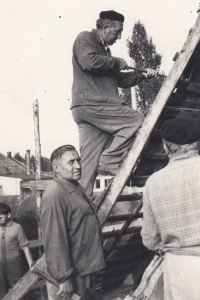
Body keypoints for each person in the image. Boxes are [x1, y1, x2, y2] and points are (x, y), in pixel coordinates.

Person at [71, 10, 157, 200]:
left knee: (88, 164)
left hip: (88, 110)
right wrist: (116, 61)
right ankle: (110, 159)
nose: (119, 36)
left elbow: (120, 80)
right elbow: (88, 61)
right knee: (135, 119)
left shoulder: (105, 52)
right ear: (105, 27)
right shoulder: (85, 38)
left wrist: (142, 75)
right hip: (92, 103)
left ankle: (81, 207)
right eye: (117, 32)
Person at [141, 117, 200, 300]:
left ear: (166, 147)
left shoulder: (153, 183)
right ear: (197, 144)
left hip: (179, 267)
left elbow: (150, 239)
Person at [40, 145, 105, 300]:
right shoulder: (55, 195)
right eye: (71, 162)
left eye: (78, 160)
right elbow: (54, 240)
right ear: (56, 167)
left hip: (84, 266)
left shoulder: (73, 186)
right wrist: (63, 278)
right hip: (73, 273)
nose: (78, 166)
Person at [0, 202, 33, 300]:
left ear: (9, 215)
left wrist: (32, 267)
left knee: (19, 292)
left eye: (0, 217)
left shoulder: (17, 227)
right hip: (0, 265)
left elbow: (26, 248)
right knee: (2, 293)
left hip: (15, 265)